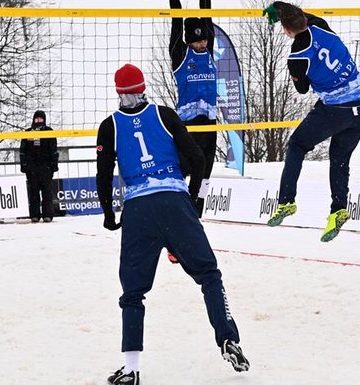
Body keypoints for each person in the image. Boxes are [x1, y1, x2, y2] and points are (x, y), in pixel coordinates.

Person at [96, 64, 248, 384]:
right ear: (144, 87)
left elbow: (102, 174)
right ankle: (227, 338)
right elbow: (198, 159)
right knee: (209, 274)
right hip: (174, 201)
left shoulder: (109, 126)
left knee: (133, 293)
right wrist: (194, 198)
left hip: (138, 209)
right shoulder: (164, 115)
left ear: (118, 93)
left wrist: (110, 215)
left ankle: (132, 368)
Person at [261, 1, 360, 242]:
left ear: (287, 30)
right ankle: (338, 209)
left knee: (297, 145)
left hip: (337, 109)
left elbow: (302, 89)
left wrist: (299, 74)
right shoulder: (320, 25)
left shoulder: (296, 57)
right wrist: (280, 6)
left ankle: (286, 201)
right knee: (340, 159)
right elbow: (304, 16)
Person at [159, 0, 217, 214]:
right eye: (197, 41)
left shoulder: (209, 50)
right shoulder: (181, 54)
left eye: (204, 40)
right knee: (183, 175)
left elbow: (207, 15)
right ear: (188, 41)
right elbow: (176, 20)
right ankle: (177, 212)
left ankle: (197, 216)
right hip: (188, 128)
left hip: (211, 126)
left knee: (204, 179)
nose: (202, 44)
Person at [20, 110, 59, 223]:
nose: (38, 121)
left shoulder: (49, 131)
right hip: (31, 167)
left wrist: (54, 164)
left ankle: (48, 215)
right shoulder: (28, 132)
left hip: (46, 166)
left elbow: (54, 149)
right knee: (33, 191)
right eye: (36, 119)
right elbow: (23, 150)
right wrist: (24, 164)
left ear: (44, 119)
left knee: (46, 191)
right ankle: (34, 215)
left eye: (40, 119)